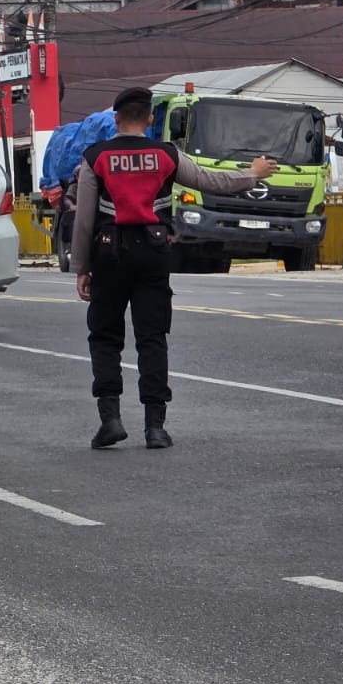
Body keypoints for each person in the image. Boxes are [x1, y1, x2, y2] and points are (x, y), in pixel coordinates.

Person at [72, 86, 279, 450]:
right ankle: (155, 427)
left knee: (105, 338)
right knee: (152, 339)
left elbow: (84, 220)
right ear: (150, 120)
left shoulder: (96, 157)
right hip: (153, 255)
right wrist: (253, 173)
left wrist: (81, 267)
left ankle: (111, 420)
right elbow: (211, 182)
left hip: (109, 255)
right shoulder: (166, 154)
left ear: (116, 119)